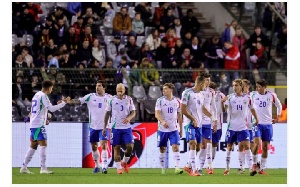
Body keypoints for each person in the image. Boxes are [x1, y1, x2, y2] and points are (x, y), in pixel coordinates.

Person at [20, 80, 70, 174]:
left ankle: (23, 167)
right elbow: (51, 109)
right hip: (38, 124)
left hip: (34, 123)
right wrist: (64, 103)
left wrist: (44, 119)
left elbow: (39, 109)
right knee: (43, 145)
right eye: (52, 88)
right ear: (49, 88)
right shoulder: (43, 96)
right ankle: (43, 168)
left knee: (33, 146)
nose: (52, 90)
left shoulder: (37, 95)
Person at [69, 80, 112, 174]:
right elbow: (78, 101)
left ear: (104, 87)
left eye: (100, 86)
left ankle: (104, 167)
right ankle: (97, 166)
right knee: (94, 147)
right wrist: (69, 101)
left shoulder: (109, 98)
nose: (97, 87)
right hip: (93, 127)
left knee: (104, 145)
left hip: (104, 126)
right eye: (97, 86)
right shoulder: (90, 96)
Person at [181, 76, 217, 176]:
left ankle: (188, 166)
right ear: (200, 83)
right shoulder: (187, 93)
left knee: (198, 147)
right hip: (189, 123)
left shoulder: (201, 95)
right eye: (204, 84)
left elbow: (202, 108)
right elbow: (182, 109)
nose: (205, 86)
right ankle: (194, 170)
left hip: (199, 124)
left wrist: (213, 118)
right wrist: (192, 119)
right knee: (192, 143)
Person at [223, 79, 259, 176]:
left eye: (236, 85)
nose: (235, 87)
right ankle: (227, 168)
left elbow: (252, 109)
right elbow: (224, 109)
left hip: (243, 127)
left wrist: (256, 119)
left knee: (247, 146)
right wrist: (223, 103)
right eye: (233, 85)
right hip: (232, 127)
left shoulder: (247, 98)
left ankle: (251, 168)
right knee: (229, 147)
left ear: (241, 86)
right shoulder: (230, 98)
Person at [102, 83, 136, 174]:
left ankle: (124, 162)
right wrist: (104, 127)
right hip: (115, 128)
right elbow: (107, 114)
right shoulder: (111, 100)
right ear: (116, 91)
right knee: (116, 148)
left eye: (121, 91)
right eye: (118, 91)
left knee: (130, 147)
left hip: (126, 128)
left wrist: (129, 118)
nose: (120, 93)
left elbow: (133, 112)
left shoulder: (129, 99)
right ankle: (118, 168)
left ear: (124, 90)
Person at [251, 79, 282, 175]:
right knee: (256, 144)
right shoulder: (253, 95)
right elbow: (248, 106)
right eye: (256, 86)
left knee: (265, 147)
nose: (257, 88)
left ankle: (262, 169)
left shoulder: (271, 95)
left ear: (264, 87)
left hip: (268, 124)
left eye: (259, 87)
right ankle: (255, 163)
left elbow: (279, 105)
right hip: (257, 123)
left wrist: (278, 117)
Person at [155, 83, 183, 175]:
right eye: (163, 89)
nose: (163, 91)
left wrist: (181, 129)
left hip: (173, 129)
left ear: (171, 90)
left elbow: (179, 115)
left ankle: (177, 168)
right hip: (162, 129)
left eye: (166, 89)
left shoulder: (177, 101)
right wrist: (162, 121)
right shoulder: (160, 100)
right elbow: (157, 114)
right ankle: (163, 169)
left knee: (175, 146)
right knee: (162, 148)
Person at [197, 72, 217, 175]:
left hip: (207, 121)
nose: (208, 82)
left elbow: (213, 107)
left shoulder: (212, 92)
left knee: (208, 144)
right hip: (198, 121)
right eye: (206, 80)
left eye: (209, 80)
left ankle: (208, 166)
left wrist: (215, 120)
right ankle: (192, 165)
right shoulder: (196, 91)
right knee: (201, 145)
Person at [237, 79, 254, 174]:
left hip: (251, 126)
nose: (243, 87)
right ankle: (242, 167)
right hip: (242, 125)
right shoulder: (239, 97)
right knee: (240, 146)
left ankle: (252, 166)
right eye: (242, 85)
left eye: (244, 85)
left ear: (248, 86)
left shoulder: (251, 96)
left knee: (250, 146)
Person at [208, 82, 226, 165]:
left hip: (218, 124)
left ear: (215, 89)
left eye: (212, 88)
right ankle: (204, 162)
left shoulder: (221, 96)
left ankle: (210, 162)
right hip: (207, 123)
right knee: (206, 143)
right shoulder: (205, 95)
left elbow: (224, 110)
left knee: (215, 143)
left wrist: (222, 103)